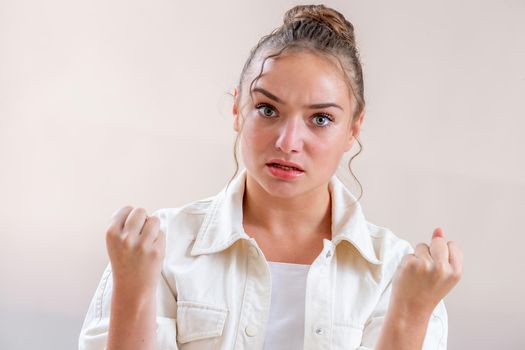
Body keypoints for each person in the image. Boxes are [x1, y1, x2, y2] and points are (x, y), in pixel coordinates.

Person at [79, 4, 463, 350]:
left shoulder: (395, 275)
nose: (288, 141)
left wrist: (410, 313)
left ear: (353, 130)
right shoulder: (159, 250)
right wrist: (132, 289)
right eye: (267, 109)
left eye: (321, 119)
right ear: (236, 109)